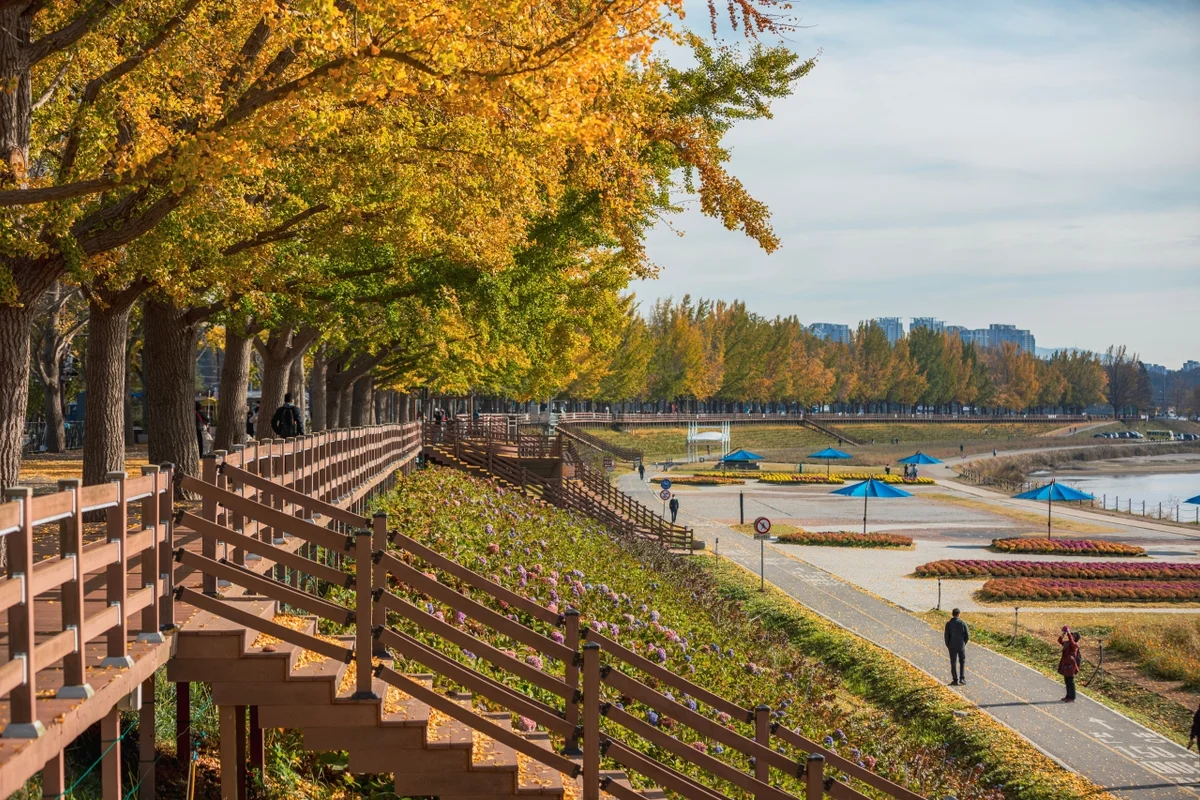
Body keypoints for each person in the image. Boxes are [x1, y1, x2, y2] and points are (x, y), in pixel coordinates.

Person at [944, 608, 969, 685]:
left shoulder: (948, 624)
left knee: (953, 662)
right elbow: (967, 635)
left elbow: (946, 636)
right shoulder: (962, 623)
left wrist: (948, 645)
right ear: (959, 614)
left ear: (952, 614)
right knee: (962, 661)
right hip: (961, 645)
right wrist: (964, 642)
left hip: (952, 645)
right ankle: (962, 678)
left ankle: (955, 679)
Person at [1058, 626, 1080, 702]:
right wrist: (1063, 633)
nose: (1071, 636)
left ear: (1076, 638)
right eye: (1072, 635)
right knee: (1066, 681)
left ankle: (1072, 697)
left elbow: (1071, 641)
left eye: (1073, 636)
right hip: (1066, 664)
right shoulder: (1067, 643)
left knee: (1071, 681)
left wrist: (1069, 633)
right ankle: (1068, 696)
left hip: (1071, 666)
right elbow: (1060, 640)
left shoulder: (1075, 645)